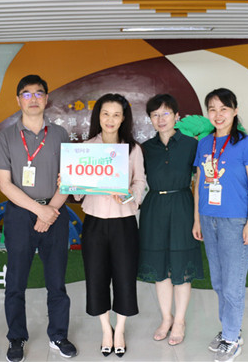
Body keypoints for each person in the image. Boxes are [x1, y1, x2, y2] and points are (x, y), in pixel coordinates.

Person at [0, 75, 77, 362]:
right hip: (20, 215)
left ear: (46, 99)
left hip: (55, 212)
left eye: (38, 93)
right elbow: (4, 184)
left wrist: (49, 210)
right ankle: (16, 337)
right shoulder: (5, 137)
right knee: (16, 280)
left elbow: (69, 179)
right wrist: (38, 211)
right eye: (26, 94)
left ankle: (59, 334)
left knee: (57, 280)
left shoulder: (60, 134)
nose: (33, 98)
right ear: (18, 100)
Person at [192, 88, 248, 362]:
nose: (218, 114)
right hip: (208, 219)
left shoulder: (247, 143)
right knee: (219, 282)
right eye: (212, 109)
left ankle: (232, 338)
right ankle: (229, 330)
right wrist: (197, 218)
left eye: (224, 108)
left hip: (235, 221)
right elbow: (199, 182)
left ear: (235, 110)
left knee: (233, 284)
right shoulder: (204, 143)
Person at [75, 93, 146, 358]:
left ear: (123, 118)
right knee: (96, 276)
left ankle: (120, 330)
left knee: (125, 277)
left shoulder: (133, 149)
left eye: (116, 114)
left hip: (124, 222)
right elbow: (78, 193)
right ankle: (106, 329)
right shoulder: (86, 149)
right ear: (98, 116)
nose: (110, 119)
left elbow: (140, 182)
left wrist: (128, 195)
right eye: (106, 114)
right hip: (94, 222)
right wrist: (69, 181)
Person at [138, 94, 204, 346]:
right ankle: (166, 318)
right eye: (155, 115)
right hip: (154, 207)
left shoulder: (191, 145)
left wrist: (197, 219)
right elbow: (135, 179)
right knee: (160, 268)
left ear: (177, 116)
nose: (160, 119)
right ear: (150, 119)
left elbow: (200, 183)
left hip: (182, 205)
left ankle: (180, 321)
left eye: (165, 113)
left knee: (181, 268)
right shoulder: (145, 148)